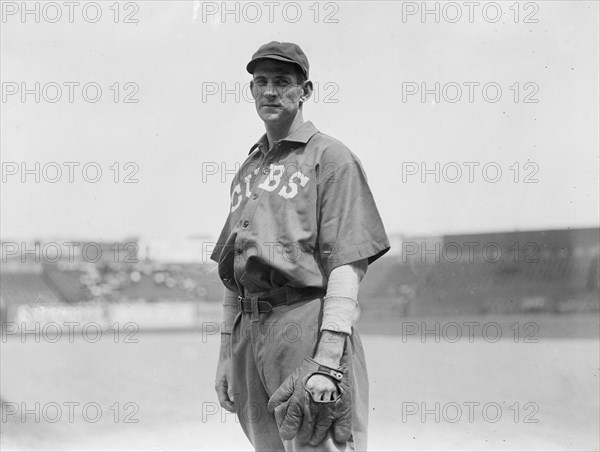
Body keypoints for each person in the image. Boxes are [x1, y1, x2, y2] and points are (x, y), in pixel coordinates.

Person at [211, 41, 390, 451]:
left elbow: (349, 262)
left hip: (304, 324)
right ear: (251, 90)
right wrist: (225, 355)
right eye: (260, 82)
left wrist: (327, 359)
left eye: (282, 82)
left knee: (320, 444)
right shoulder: (249, 168)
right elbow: (233, 271)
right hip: (249, 334)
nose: (269, 92)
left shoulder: (331, 157)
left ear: (305, 90)